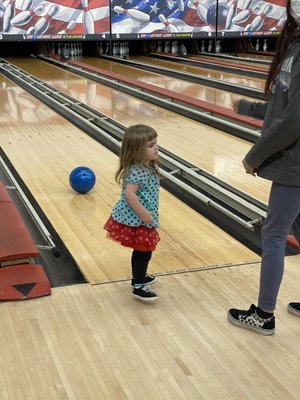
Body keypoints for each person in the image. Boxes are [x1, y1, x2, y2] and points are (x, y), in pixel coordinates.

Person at [228, 0, 300, 335]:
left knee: (273, 233)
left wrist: (255, 156)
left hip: (295, 164)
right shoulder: (296, 44)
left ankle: (264, 314)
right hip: (294, 162)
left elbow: (294, 120)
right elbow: (284, 107)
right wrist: (247, 106)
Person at [104, 124, 160, 302]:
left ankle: (139, 277)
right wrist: (144, 214)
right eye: (150, 146)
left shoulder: (143, 166)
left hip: (137, 216)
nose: (156, 147)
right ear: (137, 150)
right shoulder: (139, 171)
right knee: (144, 252)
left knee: (140, 250)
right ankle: (139, 286)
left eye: (156, 143)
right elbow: (129, 194)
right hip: (138, 218)